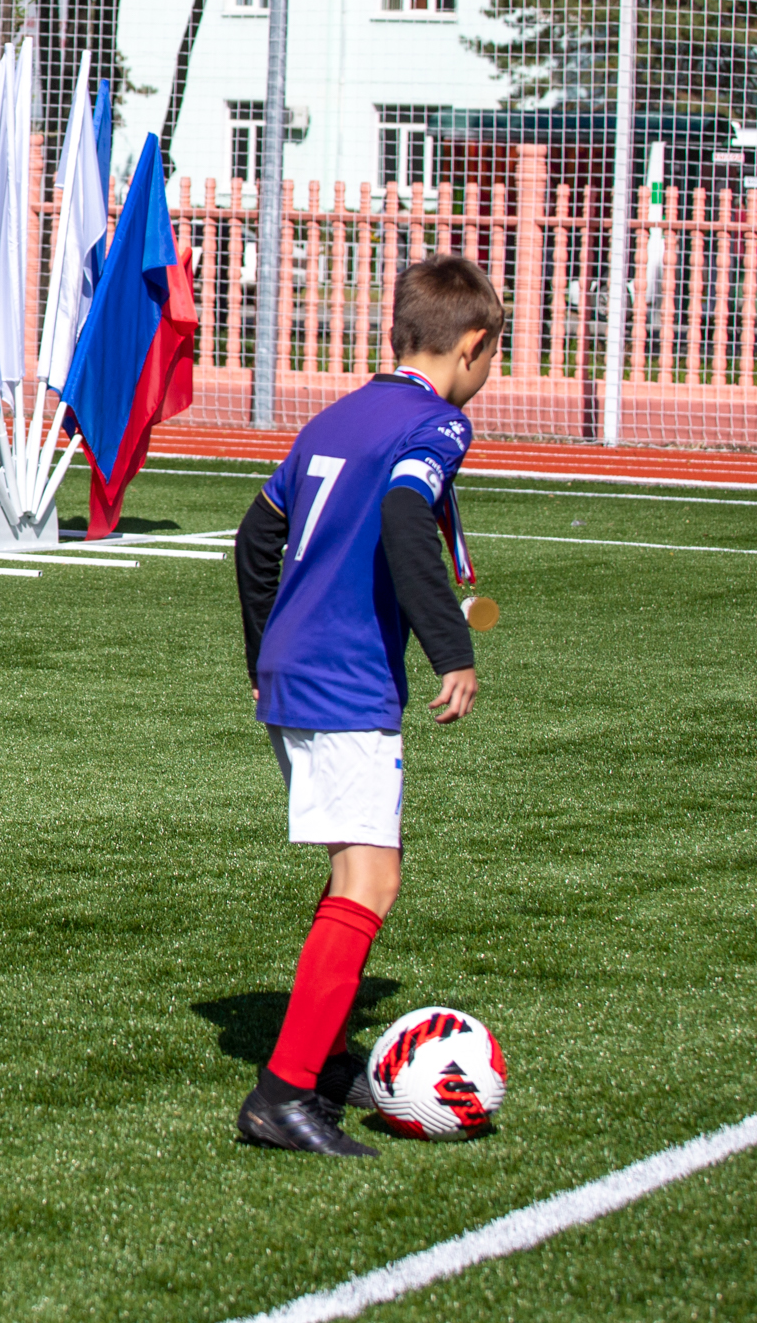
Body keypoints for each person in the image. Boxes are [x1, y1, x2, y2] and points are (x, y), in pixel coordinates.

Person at [229, 254, 500, 1157]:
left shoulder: (338, 413)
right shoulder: (437, 425)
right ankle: (282, 1095)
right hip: (347, 677)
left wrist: (262, 650)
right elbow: (400, 511)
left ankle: (326, 1058)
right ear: (473, 345)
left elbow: (257, 535)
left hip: (293, 670)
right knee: (371, 881)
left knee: (353, 870)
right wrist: (451, 650)